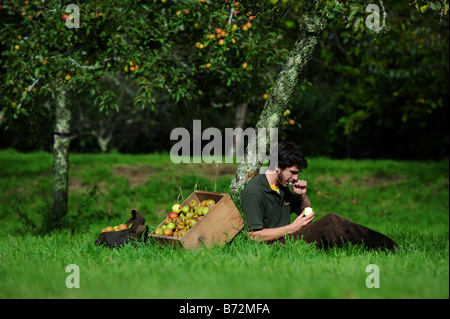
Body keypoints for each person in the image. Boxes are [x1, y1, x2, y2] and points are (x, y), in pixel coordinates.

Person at [241, 141, 397, 251]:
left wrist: (302, 196)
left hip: (288, 238)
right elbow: (253, 236)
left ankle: (378, 247)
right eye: (293, 172)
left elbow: (307, 212)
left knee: (333, 226)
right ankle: (389, 247)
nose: (296, 178)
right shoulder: (255, 191)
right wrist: (292, 227)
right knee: (330, 221)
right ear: (277, 167)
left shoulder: (282, 187)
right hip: (275, 247)